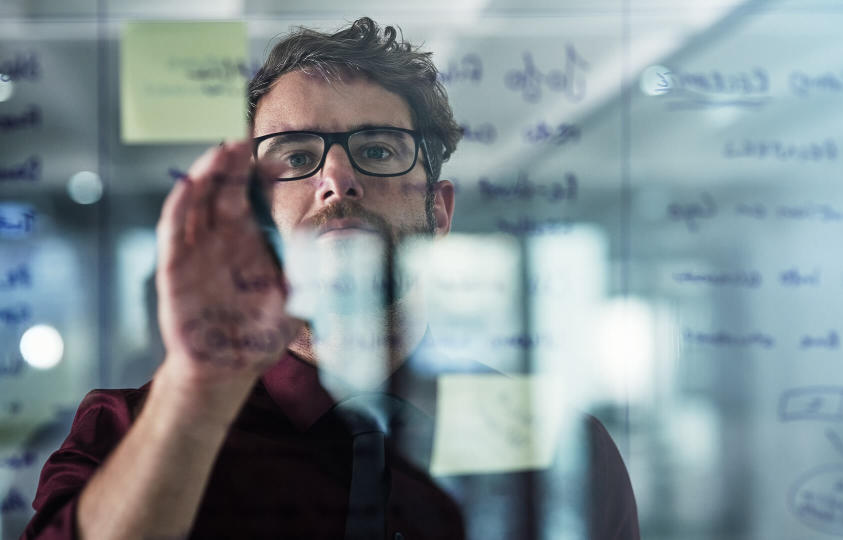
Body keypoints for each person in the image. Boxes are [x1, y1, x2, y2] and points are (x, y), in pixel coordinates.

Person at [21, 17, 641, 539]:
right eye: (295, 156)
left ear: (440, 209)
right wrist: (196, 396)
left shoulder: (559, 446)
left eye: (377, 150)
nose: (337, 180)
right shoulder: (126, 432)